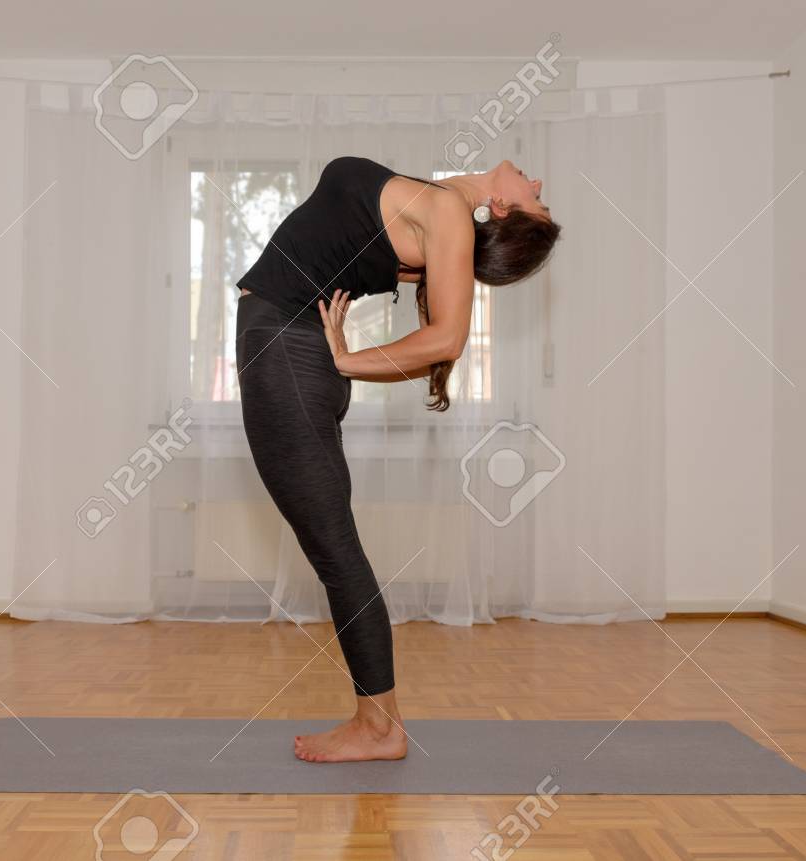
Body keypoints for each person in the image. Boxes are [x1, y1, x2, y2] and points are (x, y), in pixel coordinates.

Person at [234, 156, 561, 762]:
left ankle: (380, 727)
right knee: (335, 549)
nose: (538, 182)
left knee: (336, 552)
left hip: (288, 353)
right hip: (286, 348)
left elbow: (447, 338)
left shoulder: (449, 212)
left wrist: (346, 361)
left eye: (537, 199)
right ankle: (377, 723)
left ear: (502, 208)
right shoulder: (439, 209)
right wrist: (341, 362)